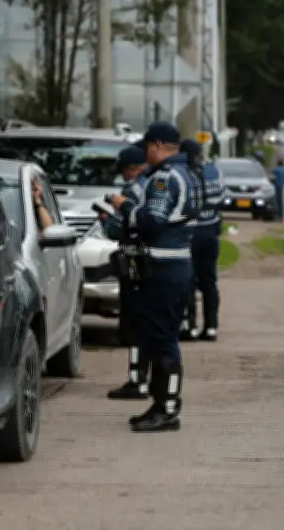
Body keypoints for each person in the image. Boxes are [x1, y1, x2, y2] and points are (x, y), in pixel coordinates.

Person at [107, 121, 200, 433]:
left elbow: (152, 221)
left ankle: (168, 408)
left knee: (162, 339)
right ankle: (161, 403)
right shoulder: (188, 173)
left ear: (159, 145)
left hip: (163, 267)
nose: (145, 153)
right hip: (176, 264)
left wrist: (125, 207)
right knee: (160, 336)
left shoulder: (164, 177)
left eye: (147, 146)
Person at [101, 145, 150, 400]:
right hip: (153, 261)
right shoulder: (153, 186)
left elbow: (117, 230)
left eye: (123, 170)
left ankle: (137, 380)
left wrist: (105, 220)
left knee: (134, 323)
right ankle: (148, 377)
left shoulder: (130, 191)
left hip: (134, 262)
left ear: (131, 169)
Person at [179, 138, 224, 342]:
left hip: (189, 233)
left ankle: (189, 325)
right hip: (210, 232)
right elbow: (222, 198)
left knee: (187, 280)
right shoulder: (214, 171)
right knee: (209, 281)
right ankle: (211, 326)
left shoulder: (182, 174)